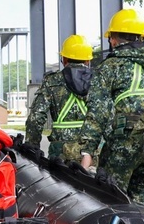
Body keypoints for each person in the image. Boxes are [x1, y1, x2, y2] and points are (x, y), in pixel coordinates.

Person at [78, 9, 144, 204]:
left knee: (110, 202)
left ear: (113, 40)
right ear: (142, 36)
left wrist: (87, 153)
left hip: (122, 146)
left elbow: (98, 113)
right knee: (140, 205)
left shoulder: (110, 67)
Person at [25, 34, 93, 163]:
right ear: (88, 61)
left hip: (61, 153)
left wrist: (32, 148)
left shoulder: (52, 81)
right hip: (91, 152)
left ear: (64, 59)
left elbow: (36, 117)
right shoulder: (99, 81)